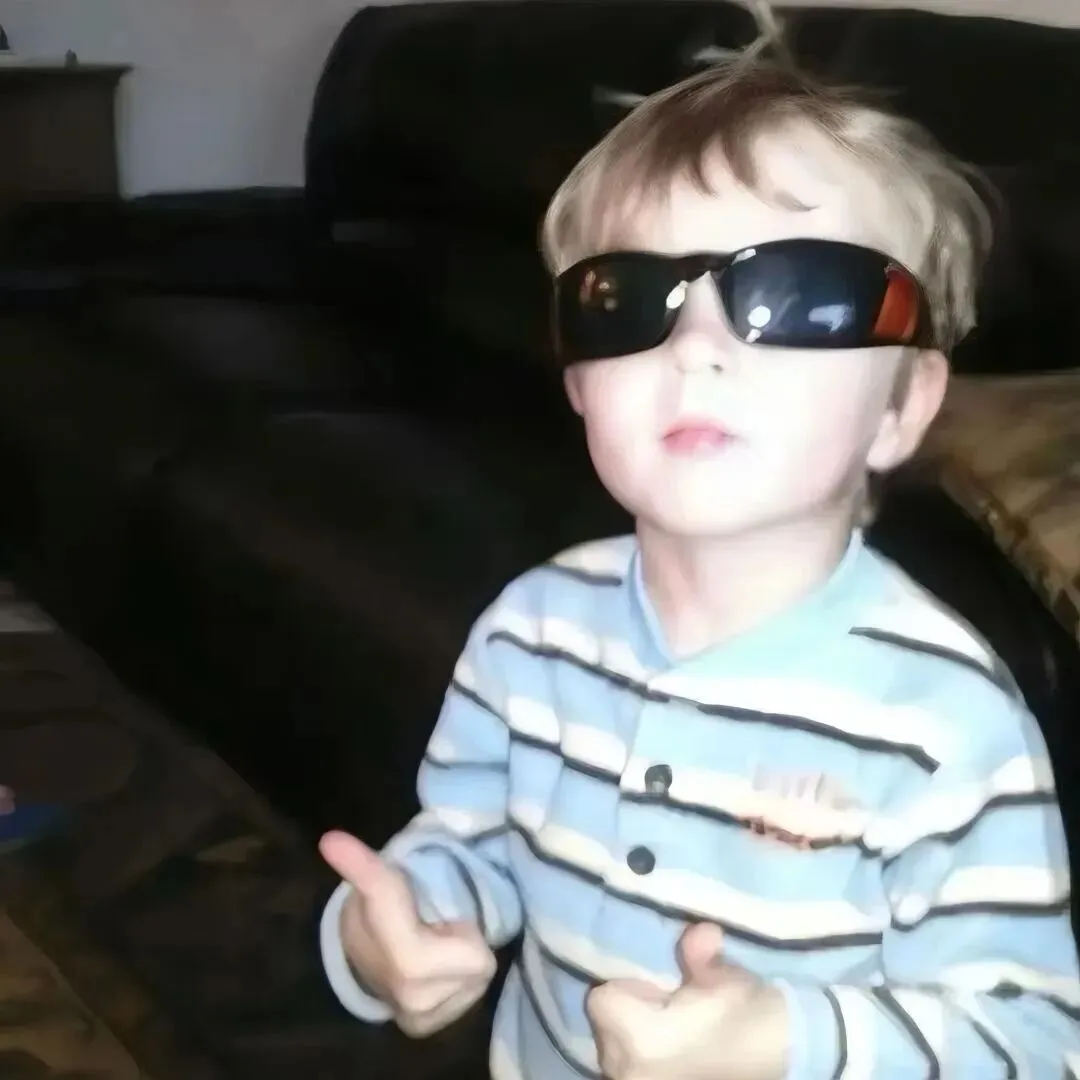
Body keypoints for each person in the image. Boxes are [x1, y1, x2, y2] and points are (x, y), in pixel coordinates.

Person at [317, 39, 1080, 1080]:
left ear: (902, 407)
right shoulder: (529, 631)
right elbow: (472, 840)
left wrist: (785, 1044)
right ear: (579, 384)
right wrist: (389, 931)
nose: (697, 347)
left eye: (802, 296)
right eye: (626, 301)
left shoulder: (946, 721)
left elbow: (1035, 1044)